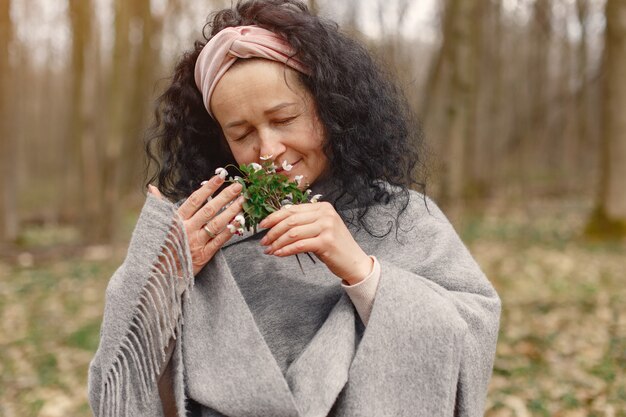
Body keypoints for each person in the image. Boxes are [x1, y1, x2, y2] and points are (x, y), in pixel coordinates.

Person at [88, 1, 501, 416]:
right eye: (243, 132)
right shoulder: (201, 233)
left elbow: (470, 336)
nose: (267, 150)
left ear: (330, 109)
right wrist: (162, 277)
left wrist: (363, 273)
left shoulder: (404, 217)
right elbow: (125, 387)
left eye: (284, 119)